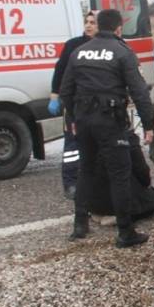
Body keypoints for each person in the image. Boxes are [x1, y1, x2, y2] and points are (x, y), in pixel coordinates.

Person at [59, 9, 153, 248]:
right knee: (119, 174)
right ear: (119, 28)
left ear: (98, 25)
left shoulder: (79, 52)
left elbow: (66, 90)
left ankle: (80, 225)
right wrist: (149, 123)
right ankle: (125, 232)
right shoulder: (122, 52)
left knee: (86, 170)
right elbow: (139, 92)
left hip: (83, 120)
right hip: (110, 121)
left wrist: (73, 117)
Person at [49, 10, 97, 199]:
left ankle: (93, 181)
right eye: (87, 21)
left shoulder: (104, 46)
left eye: (93, 22)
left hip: (95, 104)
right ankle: (70, 182)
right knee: (72, 146)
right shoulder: (73, 45)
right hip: (74, 104)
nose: (88, 25)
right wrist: (55, 95)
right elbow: (60, 69)